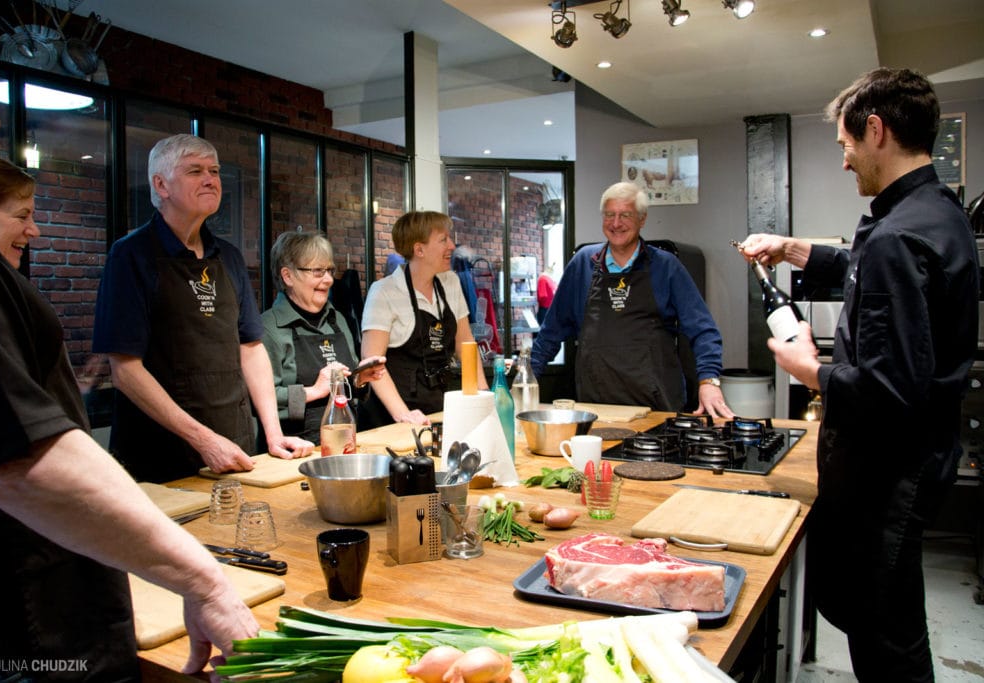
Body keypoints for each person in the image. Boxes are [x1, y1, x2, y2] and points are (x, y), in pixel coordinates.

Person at [0, 40, 258, 681]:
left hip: (57, 574)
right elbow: (18, 449)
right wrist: (204, 579)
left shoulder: (227, 255)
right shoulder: (129, 254)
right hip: (15, 612)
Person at [739, 67, 977, 681]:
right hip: (923, 457)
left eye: (846, 146)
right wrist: (792, 248)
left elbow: (888, 387)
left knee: (886, 638)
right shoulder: (935, 210)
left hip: (889, 469)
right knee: (888, 620)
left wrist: (808, 370)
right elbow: (863, 264)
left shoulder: (899, 235)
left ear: (877, 131)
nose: (845, 162)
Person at [93, 134, 312, 483]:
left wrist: (272, 433)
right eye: (195, 171)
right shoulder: (130, 256)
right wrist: (203, 439)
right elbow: (126, 371)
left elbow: (251, 348)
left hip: (235, 443)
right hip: (161, 455)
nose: (210, 179)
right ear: (161, 185)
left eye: (215, 170)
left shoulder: (229, 257)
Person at [531, 181, 733, 417]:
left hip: (657, 407)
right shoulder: (583, 264)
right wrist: (527, 379)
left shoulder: (666, 266)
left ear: (642, 219)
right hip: (597, 406)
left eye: (625, 215)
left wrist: (708, 381)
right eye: (609, 215)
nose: (616, 223)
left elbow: (703, 330)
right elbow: (551, 331)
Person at [361, 210, 487, 426]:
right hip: (390, 417)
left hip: (436, 407)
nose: (452, 246)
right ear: (419, 249)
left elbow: (466, 345)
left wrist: (485, 398)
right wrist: (404, 415)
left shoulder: (450, 282)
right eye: (443, 240)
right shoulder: (384, 292)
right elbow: (372, 365)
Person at [261, 231, 385, 442]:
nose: (328, 280)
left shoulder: (337, 320)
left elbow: (348, 384)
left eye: (329, 270)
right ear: (287, 276)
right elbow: (259, 397)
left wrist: (360, 379)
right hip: (296, 448)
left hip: (345, 441)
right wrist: (314, 391)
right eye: (318, 271)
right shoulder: (268, 328)